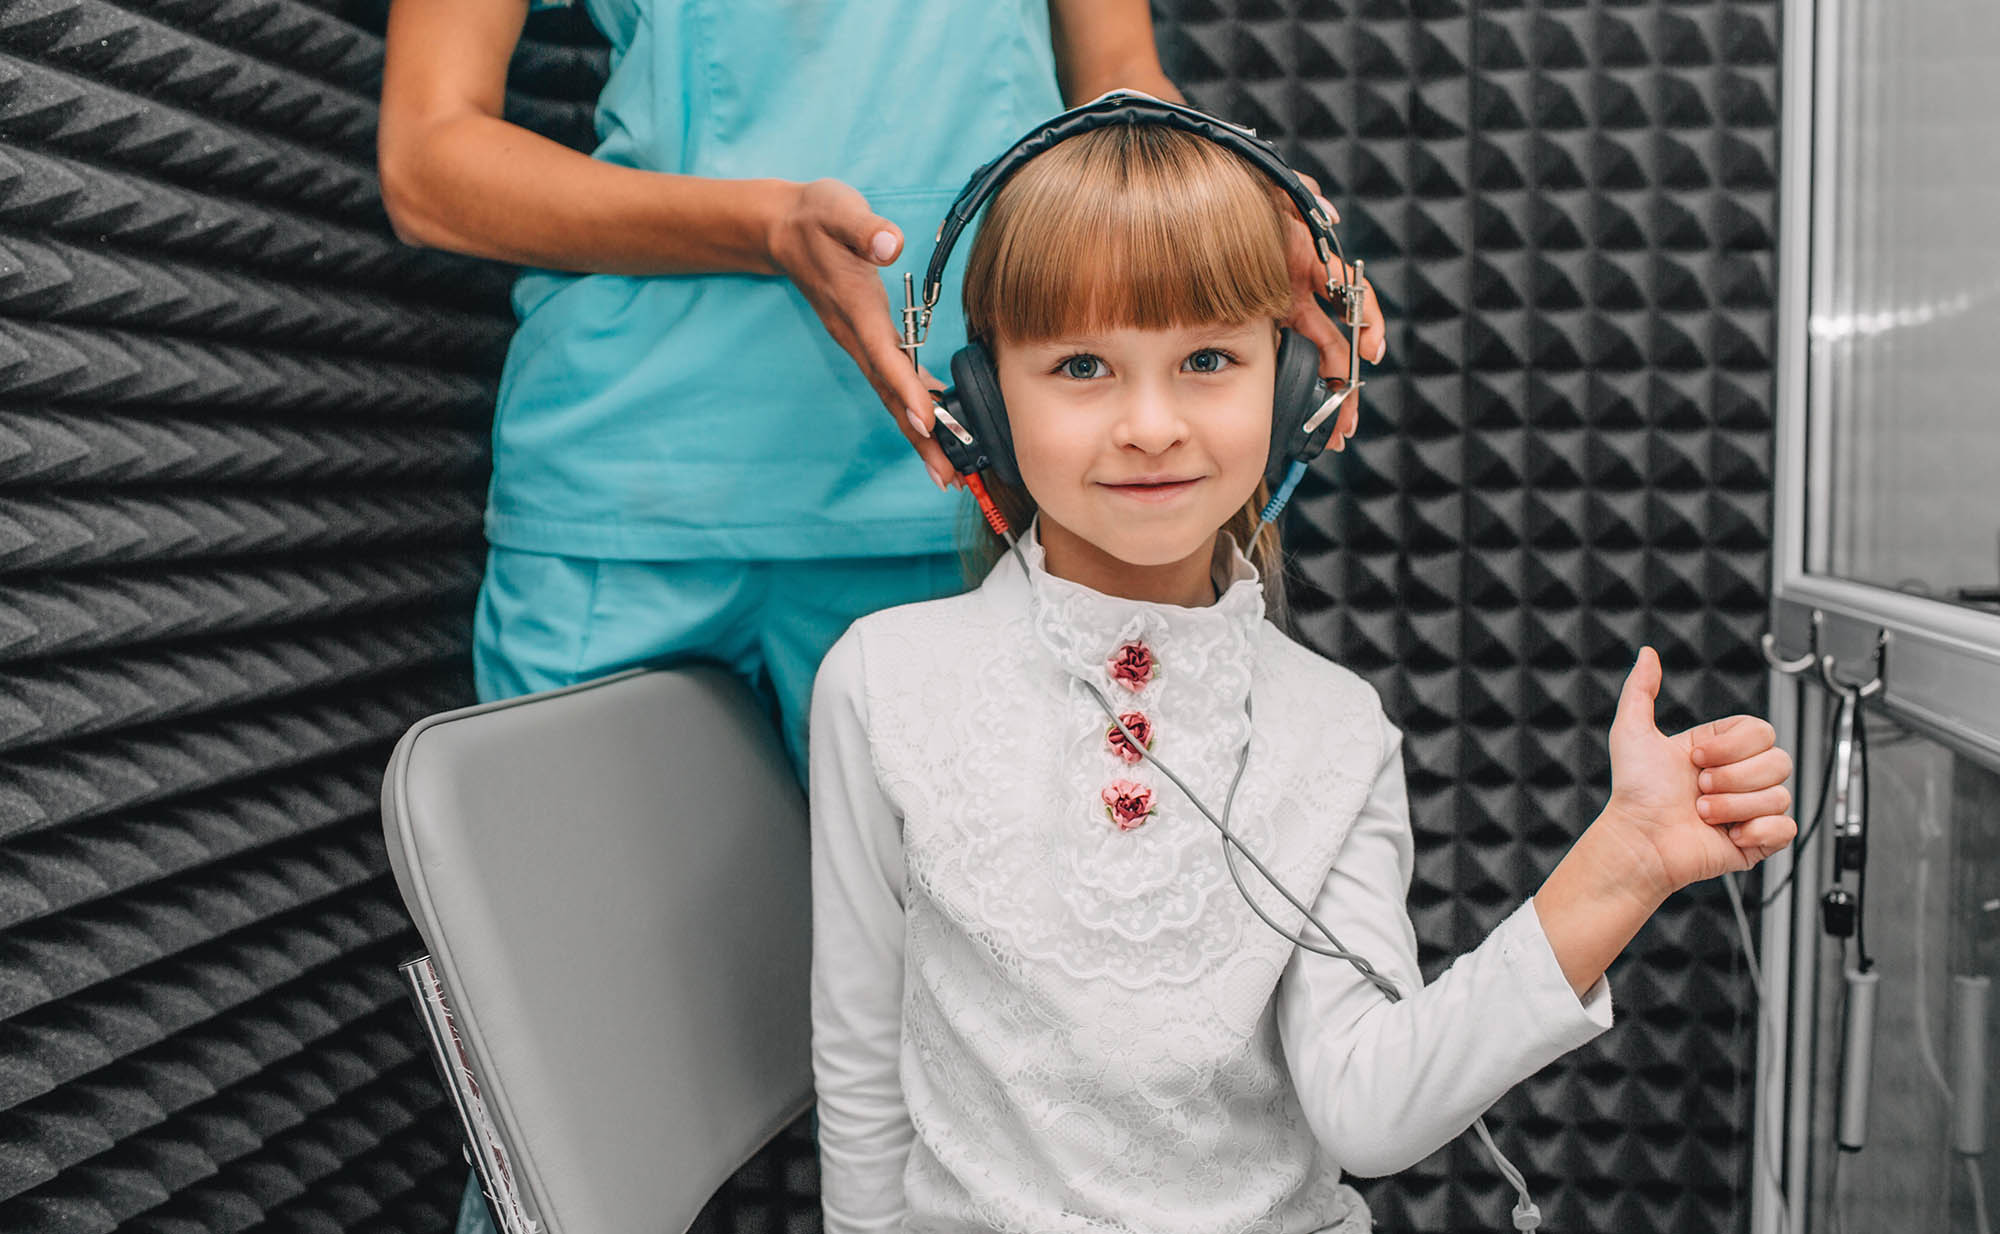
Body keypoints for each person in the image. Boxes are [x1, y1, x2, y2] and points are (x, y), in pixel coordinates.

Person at [807, 118, 1798, 1233]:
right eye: (1080, 365)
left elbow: (1365, 1111)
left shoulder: (1334, 729)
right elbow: (856, 1068)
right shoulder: (881, 684)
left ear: (1297, 399)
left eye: (1207, 360)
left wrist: (1617, 869)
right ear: (979, 405)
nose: (1147, 425)